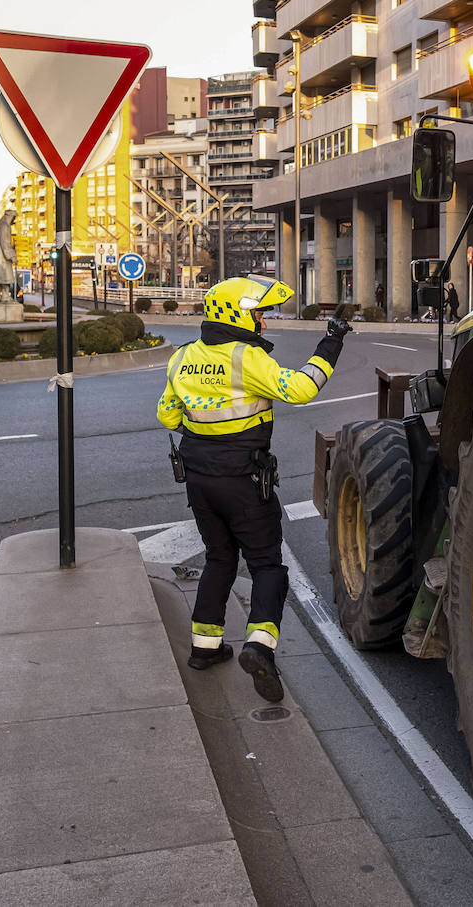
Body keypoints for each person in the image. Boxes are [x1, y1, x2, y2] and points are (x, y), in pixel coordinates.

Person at [157, 276, 353, 702]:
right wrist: (331, 344)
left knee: (219, 558)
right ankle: (260, 647)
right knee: (266, 565)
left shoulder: (182, 358)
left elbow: (168, 416)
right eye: (258, 313)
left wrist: (205, 412)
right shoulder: (246, 358)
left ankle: (204, 648)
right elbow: (300, 390)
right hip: (244, 479)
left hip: (199, 480)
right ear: (237, 313)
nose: (262, 322)